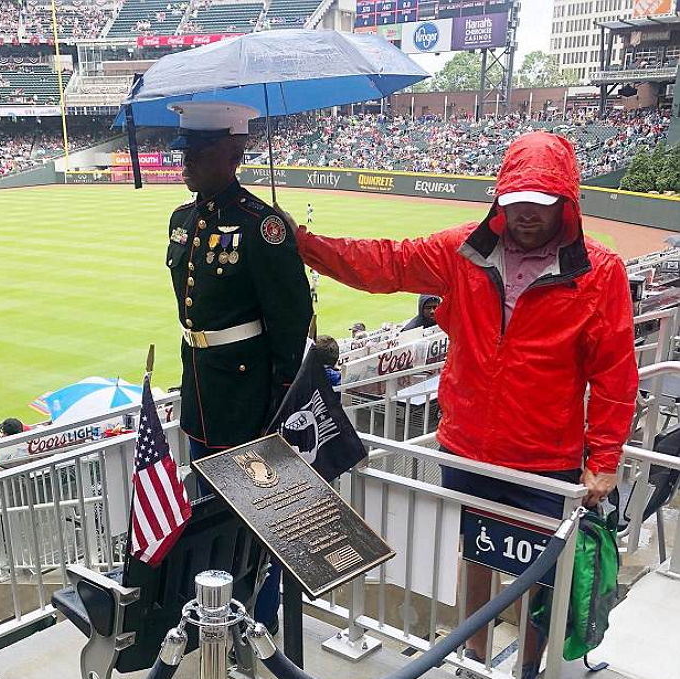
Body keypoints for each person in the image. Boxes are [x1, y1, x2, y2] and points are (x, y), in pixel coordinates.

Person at [277, 132, 638, 678]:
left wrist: (605, 460)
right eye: (515, 201)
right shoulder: (461, 252)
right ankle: (473, 657)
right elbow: (383, 264)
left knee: (539, 575)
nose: (525, 215)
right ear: (500, 198)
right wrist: (301, 243)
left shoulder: (600, 272)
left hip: (546, 461)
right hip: (468, 448)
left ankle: (529, 668)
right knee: (477, 554)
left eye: (539, 204)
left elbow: (614, 374)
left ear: (566, 202)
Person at [166, 101, 313, 632]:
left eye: (198, 153)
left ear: (232, 153)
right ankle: (214, 623)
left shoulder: (262, 225)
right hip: (201, 389)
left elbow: (292, 318)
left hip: (249, 399)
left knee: (259, 518)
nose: (184, 163)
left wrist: (277, 401)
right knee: (208, 514)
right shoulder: (182, 219)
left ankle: (259, 623)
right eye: (184, 152)